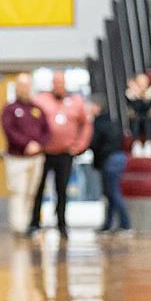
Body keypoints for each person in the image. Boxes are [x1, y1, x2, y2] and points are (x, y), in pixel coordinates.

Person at [29, 71, 92, 239]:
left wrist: (80, 145)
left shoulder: (76, 102)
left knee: (62, 190)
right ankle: (34, 223)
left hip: (65, 154)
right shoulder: (41, 100)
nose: (58, 86)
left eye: (61, 82)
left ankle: (61, 224)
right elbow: (31, 122)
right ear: (52, 84)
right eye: (56, 82)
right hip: (44, 153)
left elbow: (86, 124)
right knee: (39, 189)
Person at [2, 74, 49, 235]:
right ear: (16, 87)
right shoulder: (9, 109)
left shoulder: (37, 109)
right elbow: (10, 132)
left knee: (31, 194)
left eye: (27, 85)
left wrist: (39, 145)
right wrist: (27, 144)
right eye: (21, 85)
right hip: (17, 159)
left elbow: (46, 131)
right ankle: (19, 227)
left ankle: (30, 225)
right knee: (19, 192)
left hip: (36, 158)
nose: (25, 88)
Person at [88, 95, 131, 235]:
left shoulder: (98, 124)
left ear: (97, 107)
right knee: (110, 194)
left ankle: (126, 224)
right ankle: (108, 224)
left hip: (110, 160)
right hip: (119, 157)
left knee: (113, 193)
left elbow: (93, 143)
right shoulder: (113, 122)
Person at [126, 73, 151, 158]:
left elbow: (146, 108)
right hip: (136, 121)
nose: (142, 84)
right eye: (140, 82)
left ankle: (148, 143)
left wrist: (144, 95)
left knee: (146, 117)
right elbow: (136, 108)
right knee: (137, 118)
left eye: (144, 82)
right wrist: (136, 94)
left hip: (150, 121)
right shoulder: (130, 93)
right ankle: (136, 143)